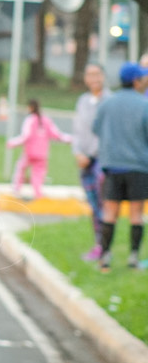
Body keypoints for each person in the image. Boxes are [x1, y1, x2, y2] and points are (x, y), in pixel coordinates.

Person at [91, 62, 148, 273]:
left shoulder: (107, 103)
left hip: (112, 166)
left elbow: (96, 129)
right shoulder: (144, 105)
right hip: (138, 167)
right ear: (136, 81)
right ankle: (133, 258)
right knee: (136, 213)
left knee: (110, 213)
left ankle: (104, 257)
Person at [72, 64, 111, 261]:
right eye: (89, 74)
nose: (93, 78)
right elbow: (78, 130)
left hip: (101, 160)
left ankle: (105, 248)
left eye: (97, 74)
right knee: (93, 205)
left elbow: (106, 133)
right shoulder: (83, 101)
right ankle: (98, 244)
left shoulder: (109, 101)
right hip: (84, 160)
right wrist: (78, 153)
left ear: (103, 76)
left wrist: (91, 154)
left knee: (105, 205)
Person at [7, 99, 71, 200]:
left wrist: (13, 142)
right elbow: (57, 134)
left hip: (30, 153)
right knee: (38, 174)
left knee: (20, 169)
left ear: (30, 107)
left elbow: (25, 136)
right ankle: (38, 194)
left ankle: (16, 190)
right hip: (42, 154)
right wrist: (69, 139)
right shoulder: (46, 120)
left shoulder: (30, 120)